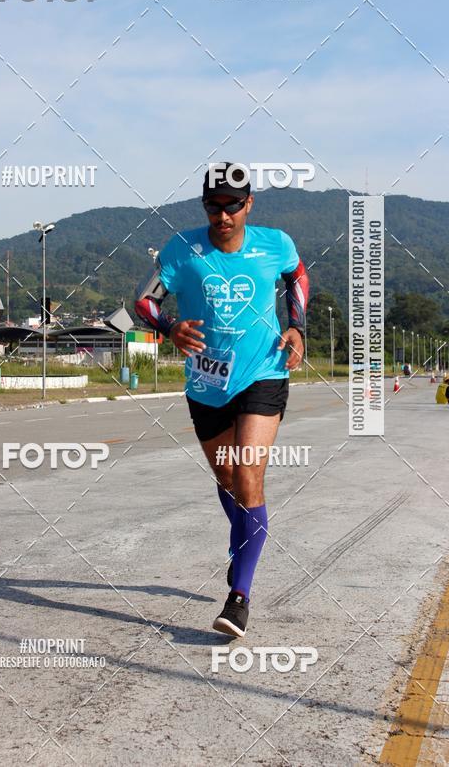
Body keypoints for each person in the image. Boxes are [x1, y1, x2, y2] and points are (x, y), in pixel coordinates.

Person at [134, 163, 309, 637]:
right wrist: (169, 327)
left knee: (249, 474)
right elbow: (144, 301)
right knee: (229, 478)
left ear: (248, 203)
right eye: (215, 206)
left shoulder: (275, 243)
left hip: (264, 373)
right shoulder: (182, 250)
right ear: (205, 206)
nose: (224, 215)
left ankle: (239, 597)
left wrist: (296, 325)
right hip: (206, 385)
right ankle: (245, 544)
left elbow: (296, 276)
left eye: (233, 205)